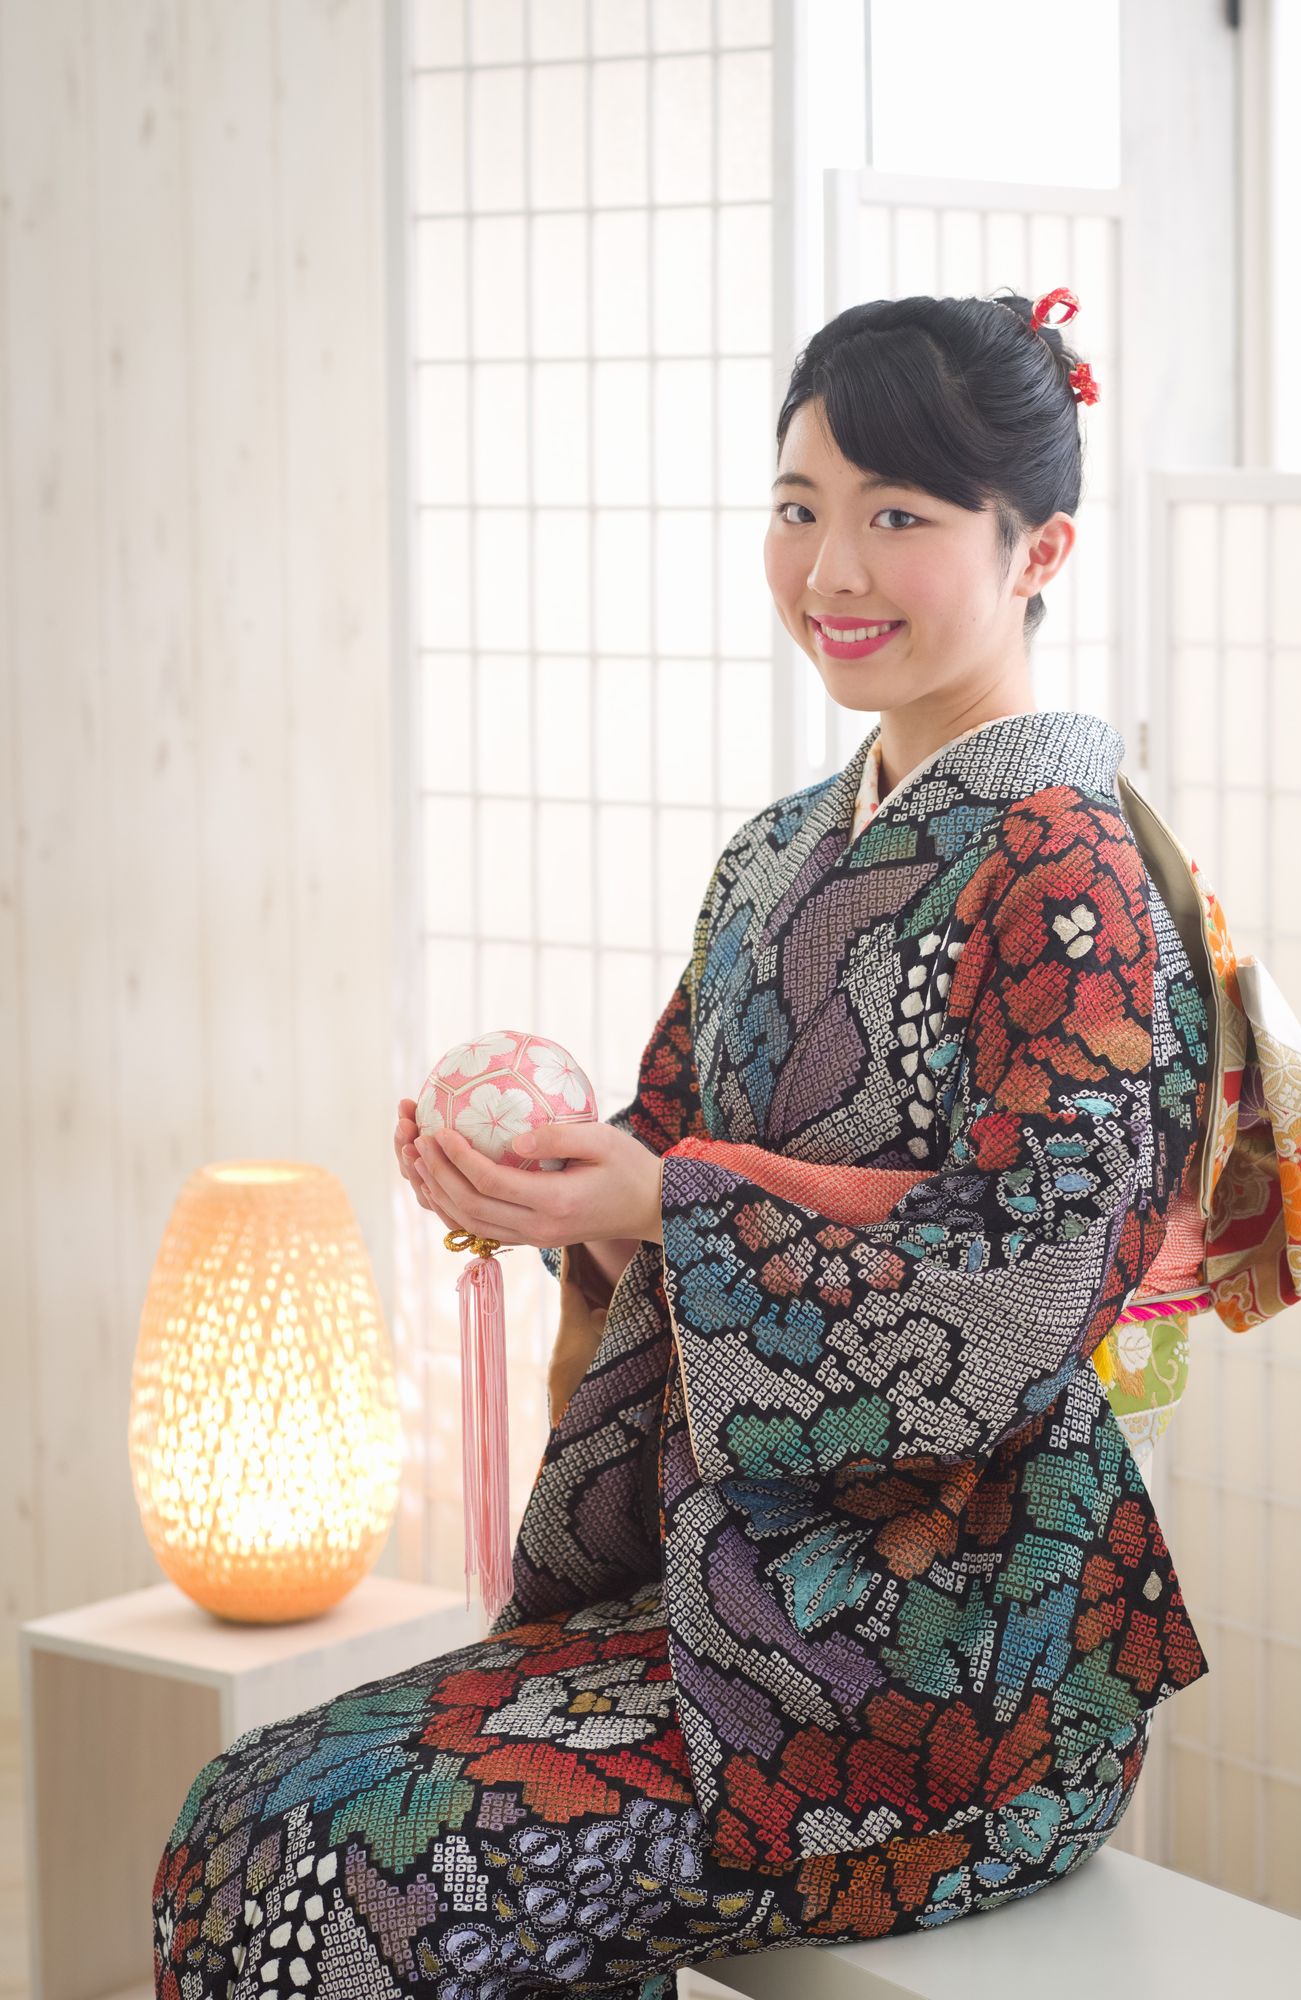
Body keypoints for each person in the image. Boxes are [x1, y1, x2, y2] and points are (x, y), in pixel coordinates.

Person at [151, 289, 1211, 1999]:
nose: (832, 569)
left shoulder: (1072, 870)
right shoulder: (776, 852)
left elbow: (1035, 1281)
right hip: (722, 1609)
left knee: (347, 1878)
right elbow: (660, 1158)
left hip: (960, 1668)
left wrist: (674, 1203)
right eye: (799, 507)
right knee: (239, 1816)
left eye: (898, 517)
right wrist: (555, 1193)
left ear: (1040, 550)